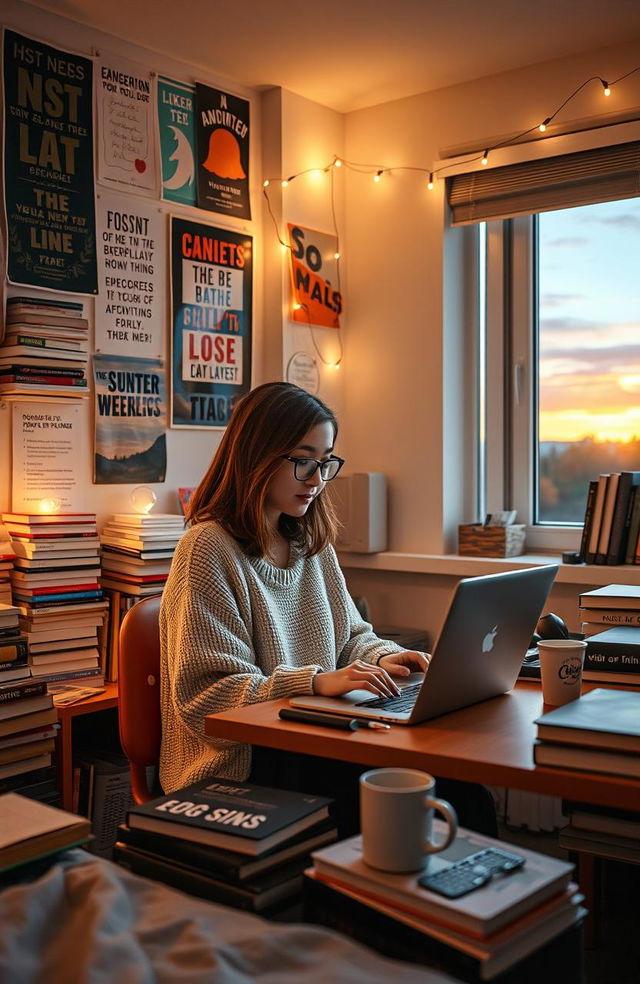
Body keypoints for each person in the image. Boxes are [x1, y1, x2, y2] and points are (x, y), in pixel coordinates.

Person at [159, 381, 497, 836]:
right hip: (243, 766)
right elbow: (207, 699)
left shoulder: (308, 542)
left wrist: (382, 656)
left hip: (311, 743)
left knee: (465, 793)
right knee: (440, 800)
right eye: (302, 461)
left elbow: (351, 635)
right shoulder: (207, 549)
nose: (316, 480)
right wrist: (315, 682)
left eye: (324, 463)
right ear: (255, 456)